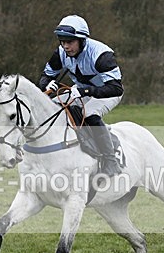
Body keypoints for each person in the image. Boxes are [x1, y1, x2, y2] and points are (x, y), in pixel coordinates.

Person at [37, 14, 124, 176]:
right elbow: (45, 76)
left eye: (69, 42)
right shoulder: (61, 53)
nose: (65, 47)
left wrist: (86, 91)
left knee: (89, 113)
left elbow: (116, 88)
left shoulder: (102, 56)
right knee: (53, 106)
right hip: (81, 90)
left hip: (106, 92)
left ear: (82, 40)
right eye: (62, 42)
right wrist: (46, 84)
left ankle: (110, 160)